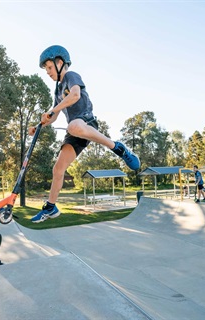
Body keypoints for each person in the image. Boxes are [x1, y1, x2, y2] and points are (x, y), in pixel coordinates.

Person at [30, 45, 140, 223]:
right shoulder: (58, 91)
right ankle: (51, 208)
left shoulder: (71, 76)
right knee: (58, 169)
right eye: (46, 70)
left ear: (60, 63)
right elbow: (55, 115)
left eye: (49, 68)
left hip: (85, 122)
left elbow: (74, 96)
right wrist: (39, 125)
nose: (48, 72)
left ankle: (116, 147)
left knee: (73, 126)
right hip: (75, 131)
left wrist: (53, 110)